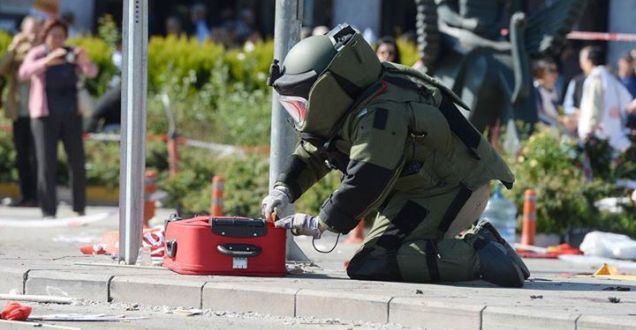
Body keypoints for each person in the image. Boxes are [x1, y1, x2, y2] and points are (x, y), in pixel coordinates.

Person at [262, 24, 529, 287]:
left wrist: (319, 223)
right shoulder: (356, 101)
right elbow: (314, 151)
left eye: (300, 102)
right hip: (423, 190)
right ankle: (481, 245)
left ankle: (479, 254)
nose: (299, 113)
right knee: (371, 262)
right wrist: (282, 189)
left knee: (375, 262)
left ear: (326, 90)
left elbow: (367, 178)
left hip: (454, 190)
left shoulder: (381, 111)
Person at [19, 19, 98, 218]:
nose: (57, 40)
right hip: (45, 115)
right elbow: (23, 73)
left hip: (71, 114)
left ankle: (79, 207)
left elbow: (91, 72)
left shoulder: (70, 53)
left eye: (61, 36)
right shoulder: (38, 53)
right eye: (53, 35)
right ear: (46, 36)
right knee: (47, 162)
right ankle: (48, 210)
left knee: (77, 161)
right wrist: (47, 61)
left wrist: (85, 60)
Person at [0, 16, 42, 207]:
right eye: (28, 30)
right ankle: (27, 196)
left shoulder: (44, 50)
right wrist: (13, 46)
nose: (32, 34)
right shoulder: (16, 51)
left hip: (39, 111)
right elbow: (2, 69)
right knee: (22, 156)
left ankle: (40, 196)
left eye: (35, 29)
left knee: (38, 156)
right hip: (19, 111)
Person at [577, 46, 632, 154]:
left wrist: (590, 130)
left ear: (589, 61)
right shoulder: (610, 78)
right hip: (615, 133)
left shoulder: (596, 79)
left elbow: (594, 106)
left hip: (599, 135)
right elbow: (627, 102)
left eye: (582, 59)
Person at [532, 59, 560, 126]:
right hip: (545, 127)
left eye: (555, 71)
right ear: (541, 73)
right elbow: (539, 114)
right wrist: (557, 121)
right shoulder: (536, 89)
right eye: (550, 71)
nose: (554, 75)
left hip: (556, 125)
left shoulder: (555, 88)